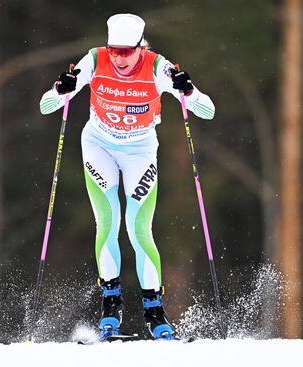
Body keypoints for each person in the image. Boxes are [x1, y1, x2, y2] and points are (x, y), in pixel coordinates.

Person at [39, 13, 215, 340]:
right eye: (114, 50)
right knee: (107, 223)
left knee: (138, 228)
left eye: (126, 51)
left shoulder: (158, 67)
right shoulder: (94, 59)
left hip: (140, 152)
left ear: (140, 47)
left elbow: (208, 110)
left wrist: (188, 92)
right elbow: (46, 106)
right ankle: (110, 308)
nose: (119, 58)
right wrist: (60, 88)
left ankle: (154, 312)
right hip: (98, 146)